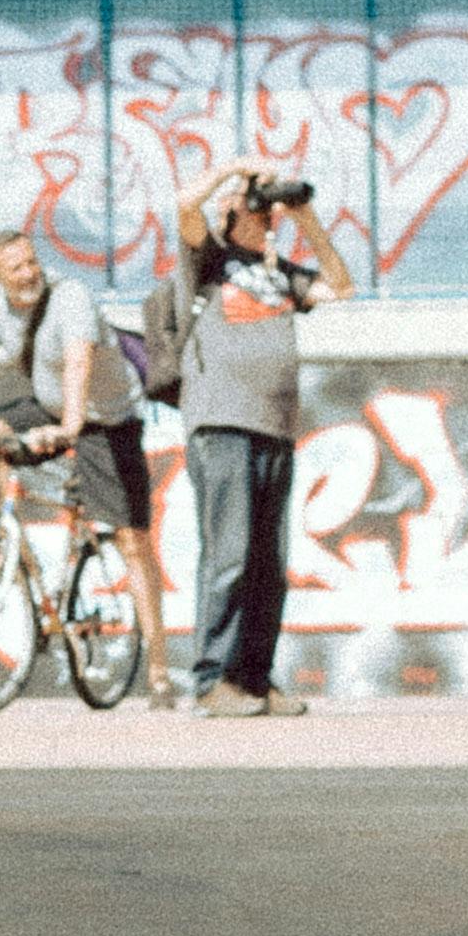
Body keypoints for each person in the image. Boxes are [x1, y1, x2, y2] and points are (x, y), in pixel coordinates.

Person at [0, 222, 176, 694]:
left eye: (31, 262)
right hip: (49, 409)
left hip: (106, 418)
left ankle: (160, 669)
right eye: (15, 268)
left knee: (131, 541)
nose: (28, 273)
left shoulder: (71, 298)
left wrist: (69, 427)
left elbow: (78, 361)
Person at [167, 162, 330, 718]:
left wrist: (307, 221)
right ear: (229, 213)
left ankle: (255, 679)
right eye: (251, 205)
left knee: (267, 562)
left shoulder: (281, 272)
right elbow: (184, 205)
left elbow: (343, 286)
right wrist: (232, 172)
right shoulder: (209, 258)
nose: (263, 212)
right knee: (229, 555)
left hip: (275, 426)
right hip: (222, 421)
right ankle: (212, 680)